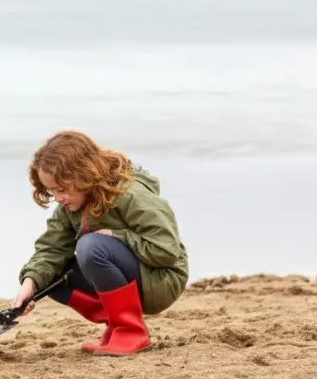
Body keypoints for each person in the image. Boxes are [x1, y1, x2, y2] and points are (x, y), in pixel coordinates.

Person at [12, 129, 188, 356]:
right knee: (49, 276)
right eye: (52, 191)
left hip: (161, 278)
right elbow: (51, 249)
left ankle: (130, 330)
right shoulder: (70, 207)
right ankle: (117, 325)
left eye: (62, 189)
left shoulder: (130, 194)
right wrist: (30, 284)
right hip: (127, 276)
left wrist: (117, 236)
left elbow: (166, 250)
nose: (57, 198)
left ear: (83, 175)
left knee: (90, 246)